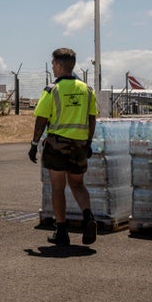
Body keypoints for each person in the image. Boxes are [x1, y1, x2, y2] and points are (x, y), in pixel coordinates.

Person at [29, 47, 98, 247]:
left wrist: (34, 144)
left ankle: (61, 231)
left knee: (58, 188)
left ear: (59, 65)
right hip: (79, 145)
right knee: (78, 184)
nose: (52, 67)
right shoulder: (87, 90)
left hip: (57, 143)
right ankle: (88, 217)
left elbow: (41, 119)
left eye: (53, 64)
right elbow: (92, 118)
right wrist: (88, 142)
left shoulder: (52, 89)